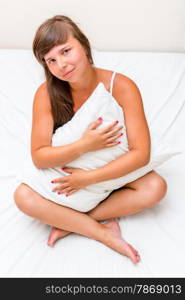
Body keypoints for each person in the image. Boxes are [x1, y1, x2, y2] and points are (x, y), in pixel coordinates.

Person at [14, 15, 167, 264]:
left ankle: (72, 222)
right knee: (22, 197)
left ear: (84, 46)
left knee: (156, 187)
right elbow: (39, 156)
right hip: (73, 174)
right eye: (51, 60)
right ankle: (102, 232)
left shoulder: (123, 86)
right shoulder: (46, 93)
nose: (61, 64)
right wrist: (86, 145)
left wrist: (87, 179)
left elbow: (141, 153)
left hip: (107, 172)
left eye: (66, 51)